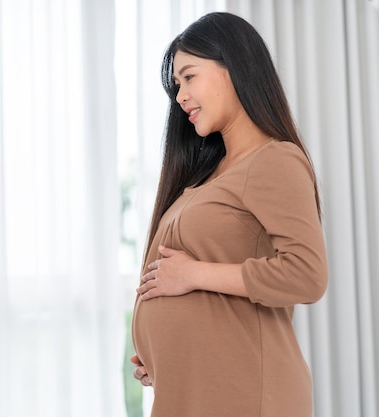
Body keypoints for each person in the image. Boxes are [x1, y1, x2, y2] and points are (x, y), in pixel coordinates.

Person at [130, 12, 328, 417]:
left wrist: (194, 274)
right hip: (193, 389)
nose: (180, 95)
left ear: (233, 68)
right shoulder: (210, 175)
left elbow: (307, 275)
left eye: (190, 77)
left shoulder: (274, 159)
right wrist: (165, 352)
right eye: (177, 85)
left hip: (245, 393)